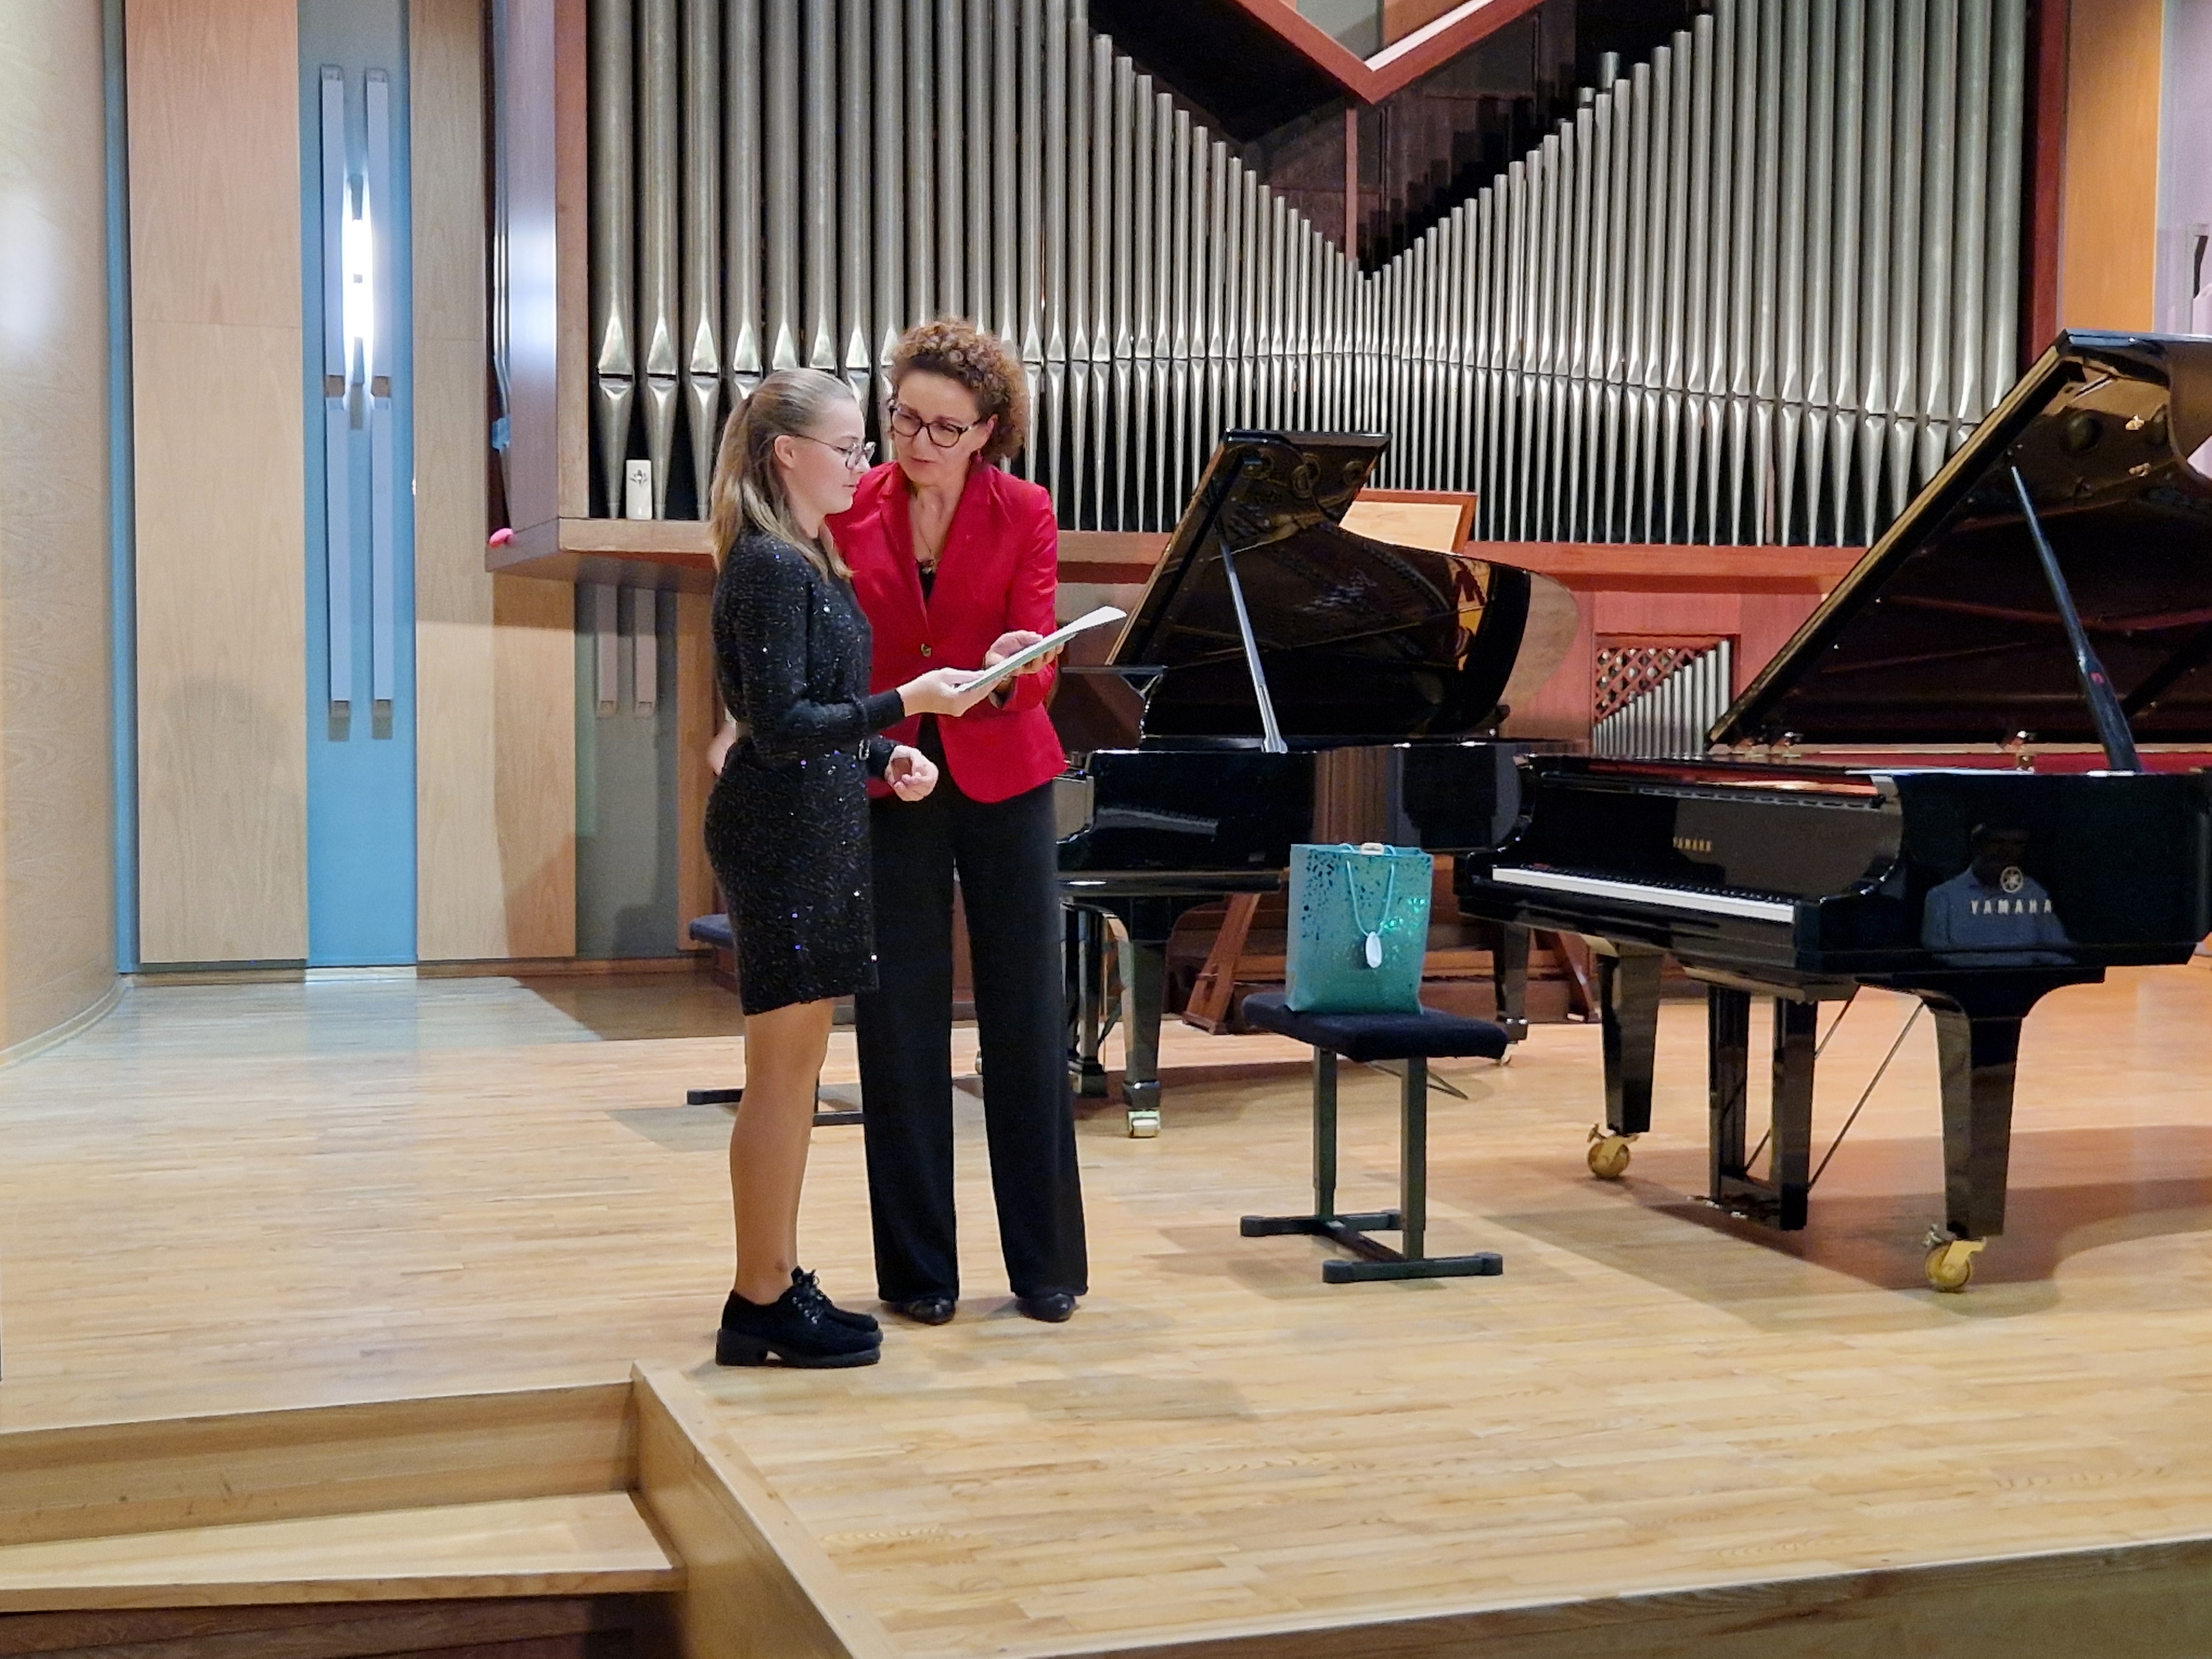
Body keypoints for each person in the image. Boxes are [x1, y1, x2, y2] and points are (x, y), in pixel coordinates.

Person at [702, 367, 991, 1368]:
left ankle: (775, 1281)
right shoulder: (770, 566)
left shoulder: (806, 558)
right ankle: (759, 1296)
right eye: (848, 447)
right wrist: (908, 702)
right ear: (788, 453)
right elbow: (779, 728)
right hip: (781, 837)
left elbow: (812, 715)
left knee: (796, 1073)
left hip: (812, 827)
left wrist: (883, 753)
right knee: (780, 1077)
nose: (864, 465)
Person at [831, 318, 1091, 1327]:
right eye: (905, 418)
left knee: (1027, 1014)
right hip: (888, 774)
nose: (920, 442)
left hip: (1002, 771)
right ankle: (917, 1273)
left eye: (946, 427)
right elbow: (839, 652)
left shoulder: (1025, 508)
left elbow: (1042, 660)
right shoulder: (850, 505)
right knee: (899, 1025)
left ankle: (1046, 1266)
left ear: (988, 430)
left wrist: (1019, 664)